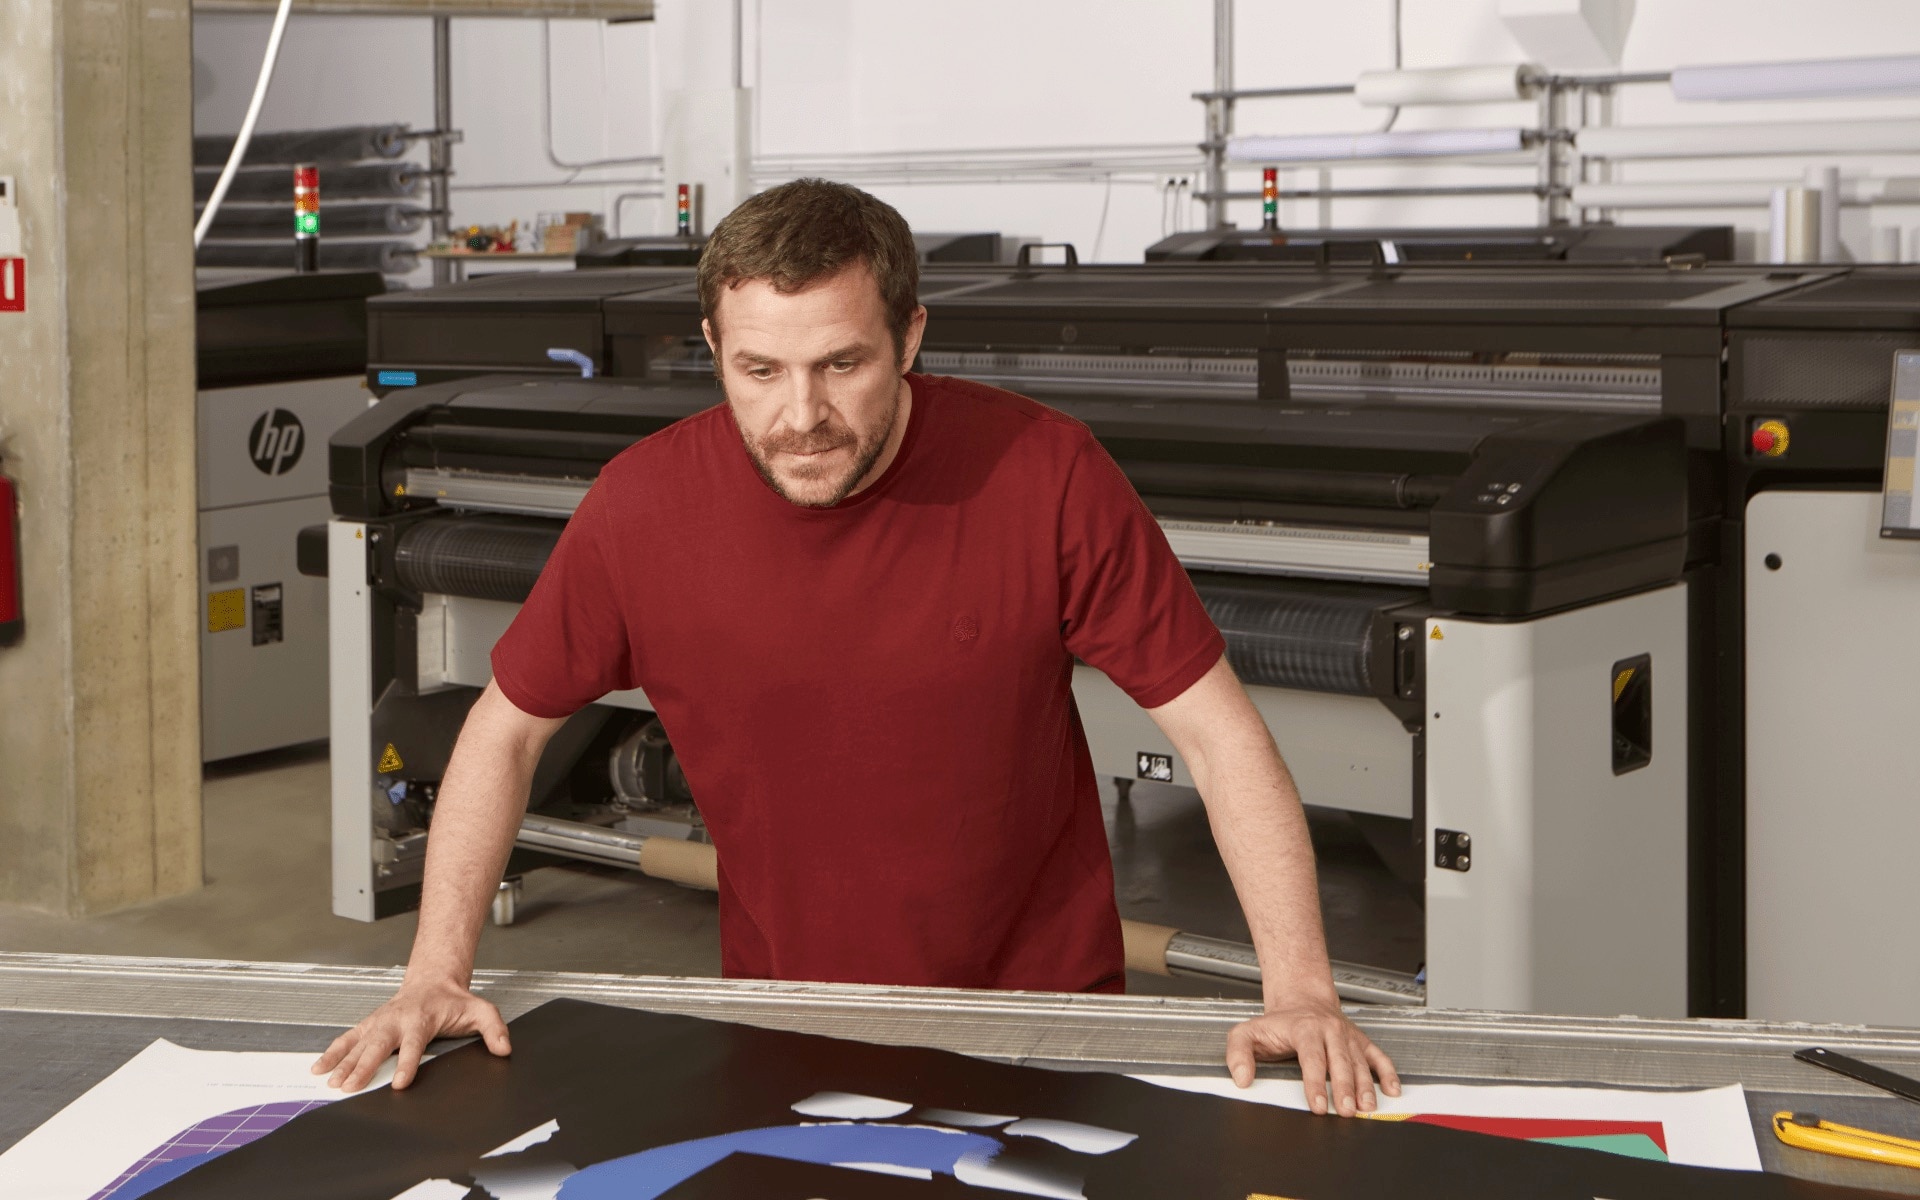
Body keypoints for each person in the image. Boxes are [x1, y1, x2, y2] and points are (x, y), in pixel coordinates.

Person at [315, 179, 1401, 1116]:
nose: (802, 415)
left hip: (1045, 1024)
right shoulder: (641, 511)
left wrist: (1299, 987)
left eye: (841, 364)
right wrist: (435, 971)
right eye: (759, 371)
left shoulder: (1046, 476)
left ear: (912, 336)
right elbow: (504, 732)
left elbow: (1217, 736)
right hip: (787, 1020)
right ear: (712, 349)